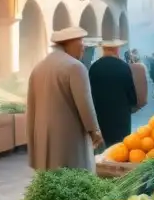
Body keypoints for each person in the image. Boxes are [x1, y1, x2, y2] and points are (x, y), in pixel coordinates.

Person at [27, 27, 103, 171]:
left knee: (49, 176)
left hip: (43, 135)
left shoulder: (38, 68)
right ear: (69, 43)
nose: (83, 46)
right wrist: (94, 130)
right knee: (73, 174)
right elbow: (84, 102)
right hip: (68, 136)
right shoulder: (75, 67)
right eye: (80, 41)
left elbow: (31, 107)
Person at [89, 40, 139, 148]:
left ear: (103, 49)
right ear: (117, 49)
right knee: (120, 145)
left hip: (100, 113)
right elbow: (130, 89)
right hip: (120, 113)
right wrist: (133, 103)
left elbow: (90, 91)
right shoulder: (123, 66)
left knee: (103, 144)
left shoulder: (94, 67)